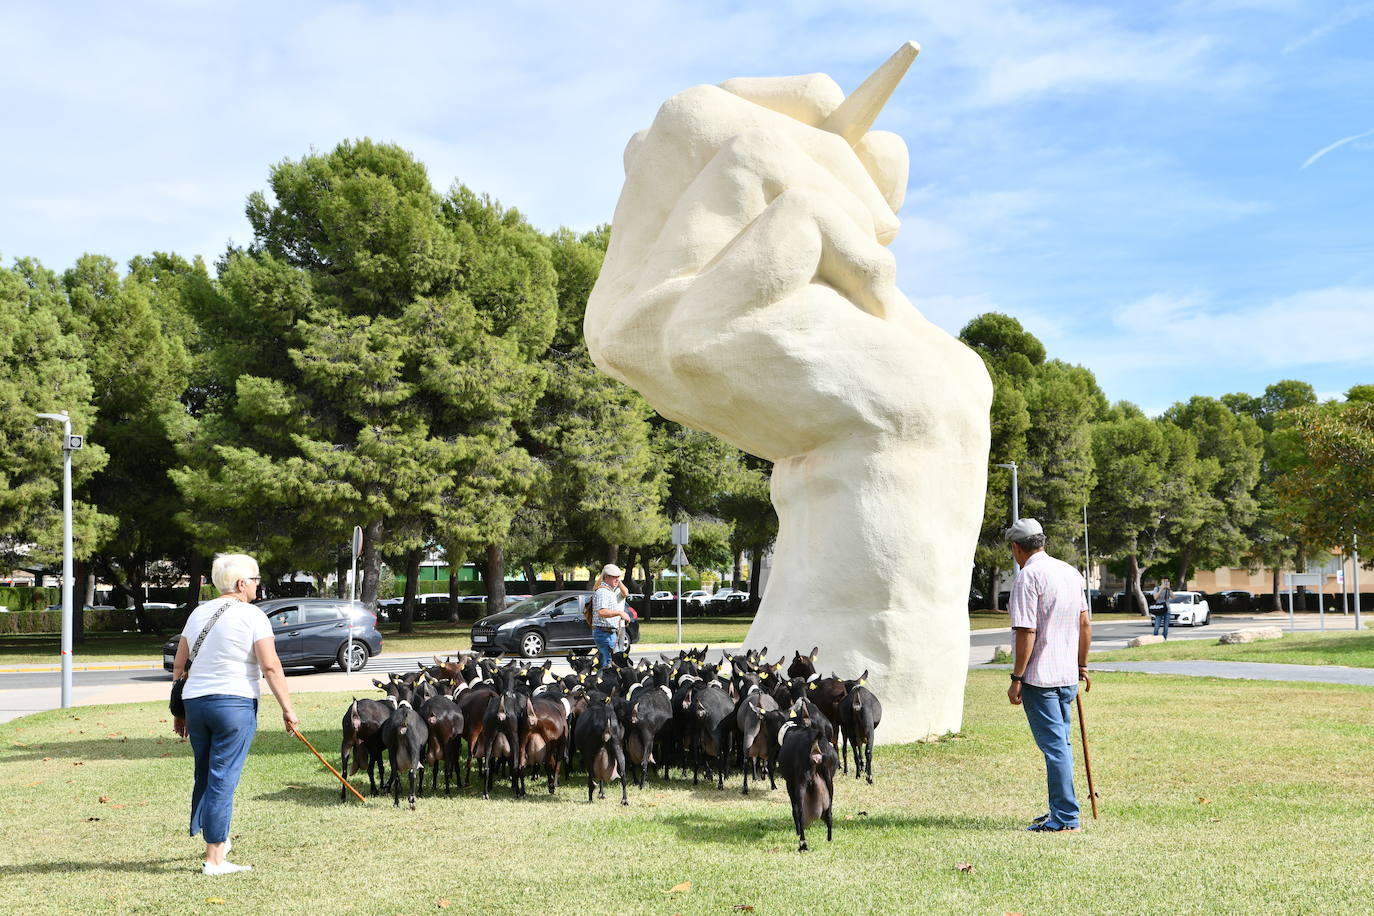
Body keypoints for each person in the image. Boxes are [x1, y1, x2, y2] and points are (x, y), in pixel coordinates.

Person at [170, 553, 299, 875]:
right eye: (255, 580)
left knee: (207, 773)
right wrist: (288, 709)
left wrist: (179, 712)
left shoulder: (199, 613)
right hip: (234, 704)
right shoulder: (252, 615)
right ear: (242, 583)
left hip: (196, 703)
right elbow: (270, 666)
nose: (257, 586)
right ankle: (215, 858)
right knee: (223, 779)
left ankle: (218, 837)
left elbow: (179, 665)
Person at [1004, 518, 1092, 833]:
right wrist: (1081, 665)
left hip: (1040, 679)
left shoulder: (1028, 578)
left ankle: (1066, 818)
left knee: (1055, 749)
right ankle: (1060, 808)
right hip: (1067, 675)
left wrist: (1017, 677)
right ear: (1043, 541)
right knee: (1061, 747)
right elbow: (1084, 623)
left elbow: (1027, 631)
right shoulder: (1070, 572)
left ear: (1016, 547)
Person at [590, 563, 632, 668]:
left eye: (618, 577)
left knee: (614, 662)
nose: (617, 580)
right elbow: (601, 612)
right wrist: (620, 613)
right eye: (615, 577)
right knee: (609, 664)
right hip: (604, 633)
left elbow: (626, 593)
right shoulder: (603, 592)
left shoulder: (609, 591)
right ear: (606, 577)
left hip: (609, 633)